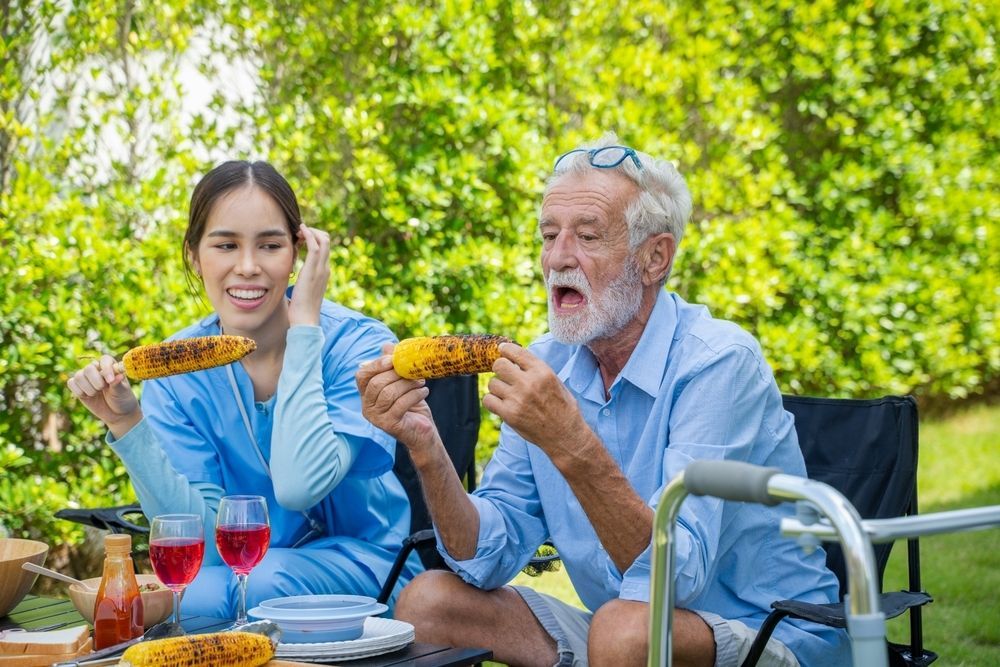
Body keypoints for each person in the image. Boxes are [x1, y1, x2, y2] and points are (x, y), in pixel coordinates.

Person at [356, 134, 850, 666]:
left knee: (624, 631)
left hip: (770, 633)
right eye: (549, 235)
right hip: (626, 627)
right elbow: (485, 558)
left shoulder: (719, 362)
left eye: (587, 237)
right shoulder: (551, 363)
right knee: (428, 602)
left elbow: (675, 580)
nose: (558, 259)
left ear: (655, 257)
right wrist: (427, 451)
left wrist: (570, 442)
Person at [67, 160, 420, 619]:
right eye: (226, 245)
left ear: (297, 254)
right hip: (242, 573)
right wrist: (126, 424)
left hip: (368, 566)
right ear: (194, 255)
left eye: (270, 245)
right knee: (192, 598)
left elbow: (298, 486)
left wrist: (306, 329)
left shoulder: (359, 344)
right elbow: (202, 545)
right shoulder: (176, 371)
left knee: (264, 586)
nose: (248, 267)